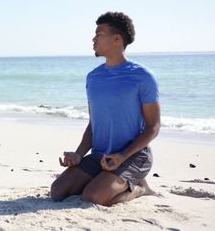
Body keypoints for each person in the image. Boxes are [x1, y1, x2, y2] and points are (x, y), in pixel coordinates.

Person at [50, 12, 160, 206]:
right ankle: (107, 180)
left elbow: (153, 126)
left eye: (99, 34)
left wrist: (122, 156)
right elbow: (94, 124)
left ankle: (140, 188)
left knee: (95, 196)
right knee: (58, 191)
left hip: (133, 156)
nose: (93, 39)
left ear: (117, 39)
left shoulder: (143, 76)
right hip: (100, 156)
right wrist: (78, 154)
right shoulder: (93, 77)